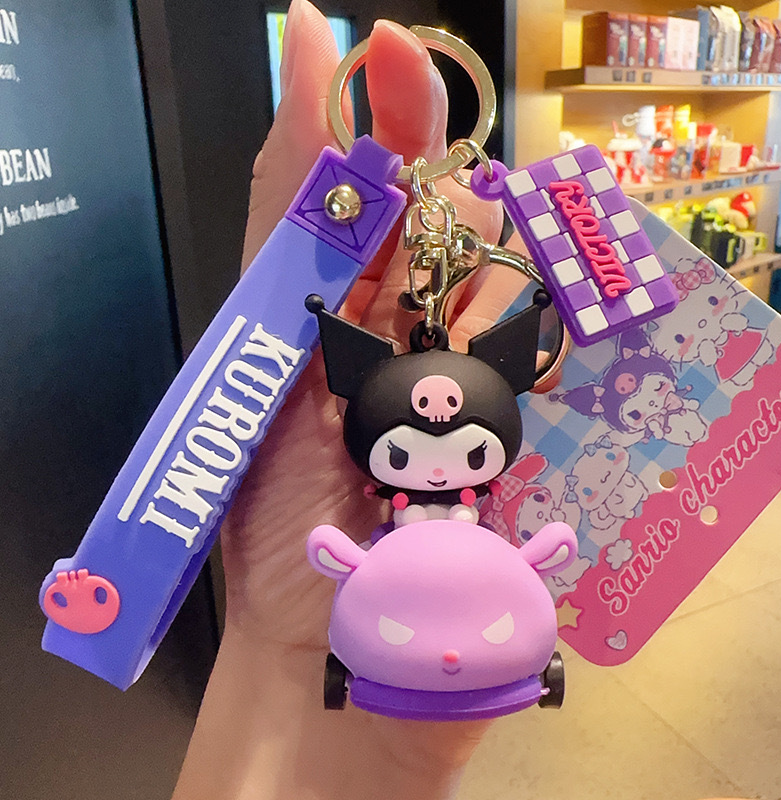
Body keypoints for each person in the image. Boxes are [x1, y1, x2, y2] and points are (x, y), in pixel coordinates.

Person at [171, 3, 529, 798]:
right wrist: (284, 645)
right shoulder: (376, 496)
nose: (440, 455)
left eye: (471, 447)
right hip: (376, 592)